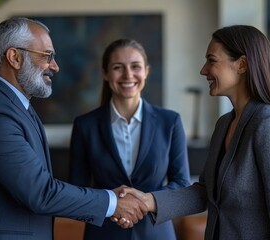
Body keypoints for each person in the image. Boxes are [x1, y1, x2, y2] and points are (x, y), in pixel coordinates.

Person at [0, 17, 147, 240]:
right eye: (47, 56)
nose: (55, 66)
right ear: (15, 57)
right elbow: (41, 193)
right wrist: (112, 203)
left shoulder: (14, 106)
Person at [117, 25, 270, 239]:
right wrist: (147, 200)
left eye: (211, 60)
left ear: (242, 64)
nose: (203, 70)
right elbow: (204, 192)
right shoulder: (224, 124)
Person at [68, 38, 191, 240]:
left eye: (136, 67)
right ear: (105, 73)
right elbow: (77, 190)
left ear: (147, 71)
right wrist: (112, 206)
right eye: (118, 67)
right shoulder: (85, 126)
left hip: (157, 234)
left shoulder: (170, 122)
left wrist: (144, 202)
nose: (128, 75)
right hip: (103, 234)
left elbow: (182, 185)